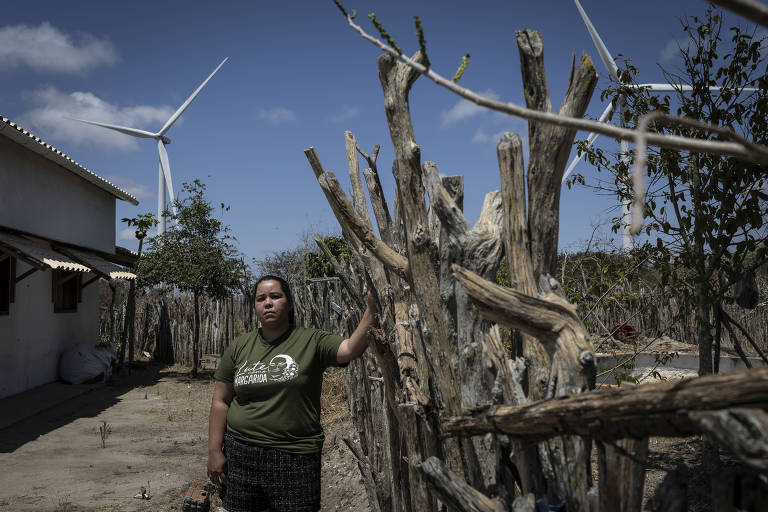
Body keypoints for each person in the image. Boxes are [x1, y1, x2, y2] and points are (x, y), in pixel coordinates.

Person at [207, 274, 377, 512]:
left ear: (290, 304)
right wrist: (215, 452)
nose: (268, 303)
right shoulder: (239, 346)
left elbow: (350, 349)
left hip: (294, 456)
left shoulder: (311, 340)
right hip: (241, 452)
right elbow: (221, 401)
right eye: (261, 299)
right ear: (255, 306)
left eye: (275, 296)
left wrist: (372, 308)